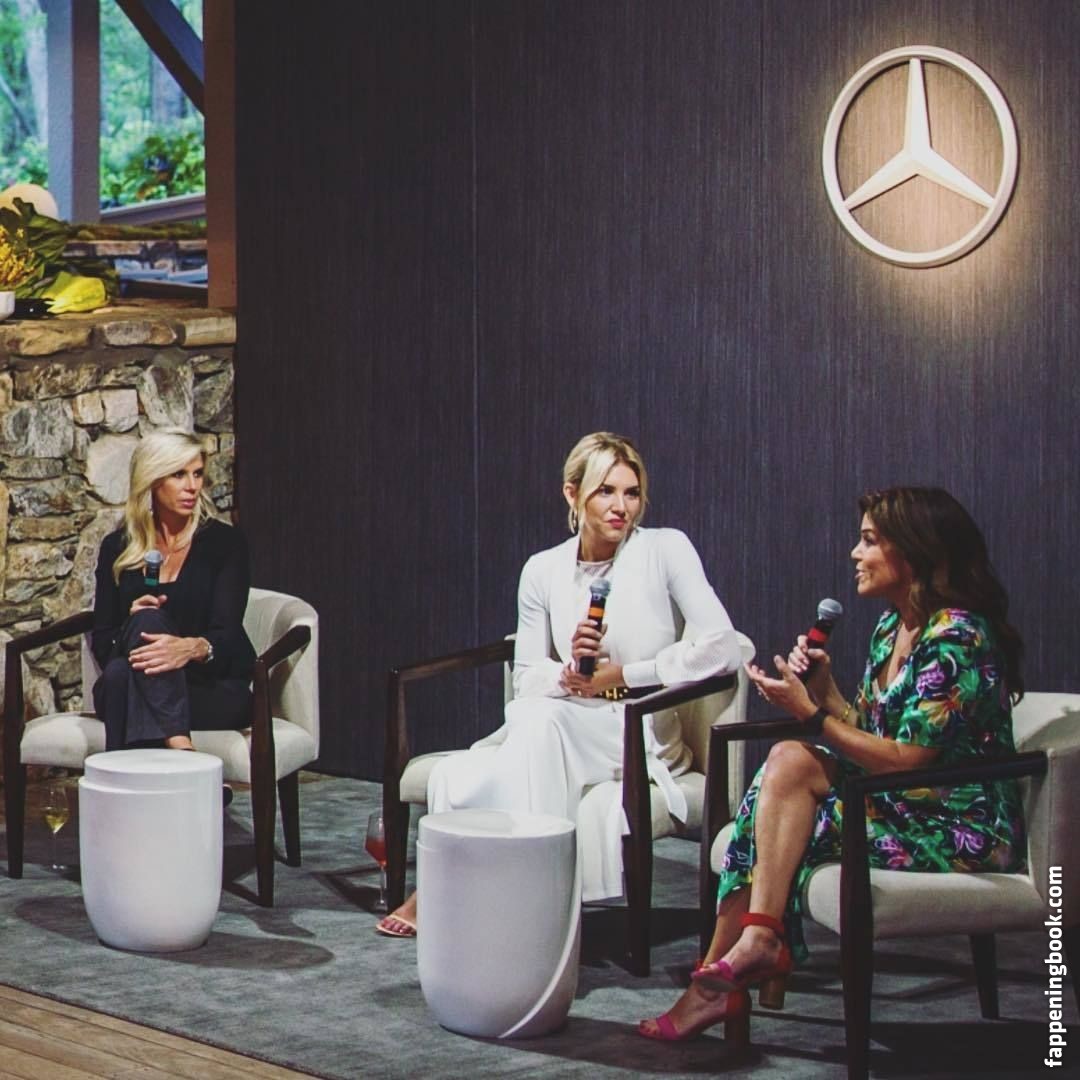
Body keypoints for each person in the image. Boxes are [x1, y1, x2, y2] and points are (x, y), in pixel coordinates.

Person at [639, 486, 1026, 1043]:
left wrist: (813, 716)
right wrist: (825, 694)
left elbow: (907, 761)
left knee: (778, 810)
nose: (854, 553)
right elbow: (873, 731)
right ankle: (753, 945)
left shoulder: (958, 637)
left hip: (957, 824)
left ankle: (726, 976)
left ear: (913, 551)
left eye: (869, 540)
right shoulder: (893, 628)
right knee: (784, 769)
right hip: (900, 802)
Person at [376, 431, 744, 937]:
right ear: (572, 494)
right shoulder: (543, 569)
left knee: (535, 727)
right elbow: (528, 676)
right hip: (569, 716)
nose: (621, 507)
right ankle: (535, 902)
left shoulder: (666, 549)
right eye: (605, 491)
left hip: (638, 725)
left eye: (631, 492)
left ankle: (454, 890)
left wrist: (626, 674)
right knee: (535, 717)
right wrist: (570, 672)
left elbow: (725, 646)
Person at [91, 430, 256, 768]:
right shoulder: (117, 548)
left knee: (122, 680)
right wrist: (131, 626)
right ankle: (183, 756)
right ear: (152, 481)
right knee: (140, 626)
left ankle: (125, 787)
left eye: (197, 474)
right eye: (179, 475)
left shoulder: (225, 544)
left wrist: (191, 648)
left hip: (207, 687)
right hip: (138, 677)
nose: (192, 486)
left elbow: (227, 633)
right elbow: (103, 640)